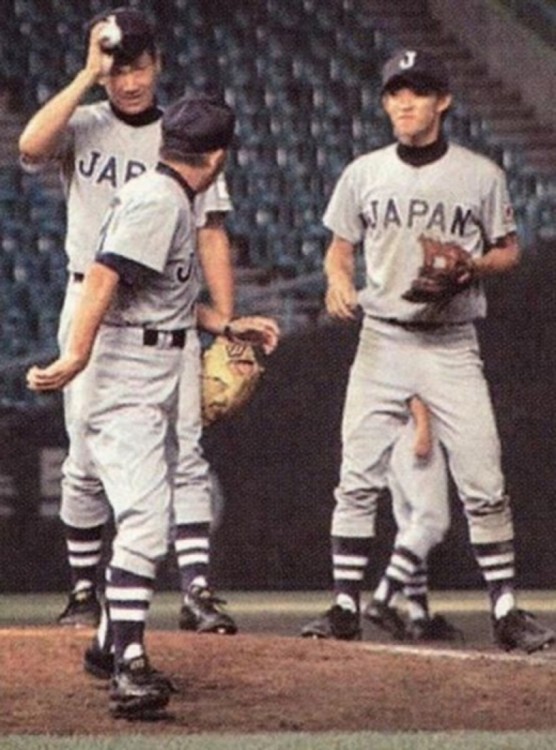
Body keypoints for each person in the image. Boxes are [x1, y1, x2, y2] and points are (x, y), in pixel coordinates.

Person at [26, 93, 280, 718]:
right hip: (124, 371)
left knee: (149, 503)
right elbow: (104, 278)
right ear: (218, 157)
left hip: (156, 360)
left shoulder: (168, 195)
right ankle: (129, 663)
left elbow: (160, 292)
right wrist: (76, 357)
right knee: (143, 516)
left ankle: (110, 638)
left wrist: (223, 327)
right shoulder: (160, 201)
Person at [302, 49, 555, 654]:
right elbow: (339, 249)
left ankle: (506, 610)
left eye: (417, 92)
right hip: (383, 338)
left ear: (443, 100)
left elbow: (509, 250)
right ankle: (344, 605)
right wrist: (339, 280)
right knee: (355, 478)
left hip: (451, 343)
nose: (404, 103)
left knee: (484, 479)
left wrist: (474, 265)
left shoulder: (480, 174)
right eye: (395, 92)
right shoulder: (363, 172)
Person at [18, 7, 239, 635]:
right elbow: (30, 146)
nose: (130, 81)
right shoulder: (84, 122)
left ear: (158, 64)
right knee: (83, 457)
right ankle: (85, 589)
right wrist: (87, 74)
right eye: (119, 70)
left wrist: (224, 316)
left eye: (138, 66)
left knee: (187, 451)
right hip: (92, 302)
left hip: (168, 312)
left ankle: (197, 588)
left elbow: (211, 231)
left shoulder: (182, 136)